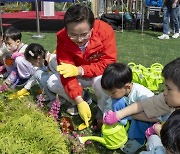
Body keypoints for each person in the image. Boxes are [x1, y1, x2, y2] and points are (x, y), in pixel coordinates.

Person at [46, 4, 117, 128]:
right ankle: (83, 98)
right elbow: (66, 71)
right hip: (78, 75)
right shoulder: (62, 37)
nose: (79, 39)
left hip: (97, 74)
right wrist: (79, 100)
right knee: (52, 82)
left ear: (92, 27)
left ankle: (102, 109)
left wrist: (80, 70)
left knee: (102, 83)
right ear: (66, 29)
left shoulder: (105, 30)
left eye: (84, 34)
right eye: (73, 35)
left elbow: (108, 63)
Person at [104, 57, 180, 153]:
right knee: (153, 140)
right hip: (165, 137)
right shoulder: (166, 99)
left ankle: (138, 140)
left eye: (168, 89)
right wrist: (119, 115)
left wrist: (158, 129)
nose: (164, 92)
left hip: (166, 138)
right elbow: (143, 104)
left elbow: (173, 144)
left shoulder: (141, 93)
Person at [101, 62, 155, 153]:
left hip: (147, 118)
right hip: (130, 115)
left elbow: (152, 115)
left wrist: (128, 116)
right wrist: (106, 117)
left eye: (113, 92)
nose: (110, 95)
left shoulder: (143, 95)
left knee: (140, 121)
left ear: (127, 87)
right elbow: (109, 106)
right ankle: (122, 127)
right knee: (116, 102)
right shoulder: (119, 93)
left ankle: (138, 140)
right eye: (108, 92)